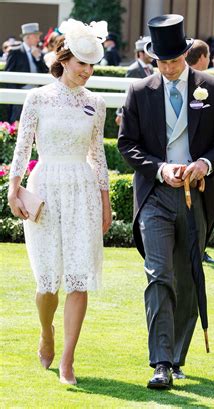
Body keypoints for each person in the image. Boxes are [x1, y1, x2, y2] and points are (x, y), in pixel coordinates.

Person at [118, 14, 214, 390]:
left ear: (187, 54)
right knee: (158, 274)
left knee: (188, 278)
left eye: (174, 61)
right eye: (162, 62)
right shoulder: (139, 91)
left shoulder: (212, 87)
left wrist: (204, 164)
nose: (168, 69)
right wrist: (159, 169)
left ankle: (177, 357)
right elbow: (127, 145)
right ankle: (161, 362)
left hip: (197, 197)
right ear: (153, 58)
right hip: (155, 195)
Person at [7, 18, 112, 385]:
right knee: (47, 283)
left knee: (79, 277)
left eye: (92, 65)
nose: (87, 71)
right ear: (64, 59)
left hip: (82, 189)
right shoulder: (37, 98)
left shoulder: (96, 104)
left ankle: (68, 359)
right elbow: (22, 148)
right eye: (82, 63)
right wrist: (13, 187)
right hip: (46, 187)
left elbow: (98, 155)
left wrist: (106, 199)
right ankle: (46, 331)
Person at [5, 23, 49, 122]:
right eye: (36, 36)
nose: (38, 39)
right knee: (17, 122)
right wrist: (14, 95)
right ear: (28, 37)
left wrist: (38, 58)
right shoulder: (15, 51)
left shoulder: (39, 52)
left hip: (37, 94)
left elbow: (46, 72)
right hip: (20, 94)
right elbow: (9, 74)